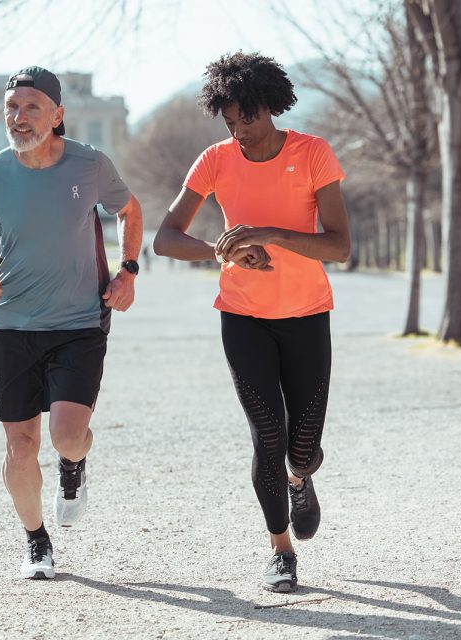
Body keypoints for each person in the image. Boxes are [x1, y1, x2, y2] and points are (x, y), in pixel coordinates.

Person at [154, 52, 350, 592]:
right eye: (230, 121)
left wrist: (271, 234)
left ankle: (300, 474)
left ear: (272, 105)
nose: (240, 130)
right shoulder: (215, 160)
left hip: (307, 314)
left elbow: (339, 245)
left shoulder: (314, 154)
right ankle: (280, 550)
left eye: (249, 117)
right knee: (268, 432)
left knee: (302, 444)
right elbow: (165, 238)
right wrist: (226, 253)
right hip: (243, 317)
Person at [0, 66, 142, 580]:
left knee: (67, 435)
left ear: (57, 115)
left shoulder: (89, 164)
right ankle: (36, 541)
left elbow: (129, 210)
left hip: (79, 322)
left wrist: (128, 271)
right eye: (12, 108)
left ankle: (75, 465)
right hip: (11, 325)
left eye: (31, 107)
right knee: (20, 444)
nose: (18, 117)